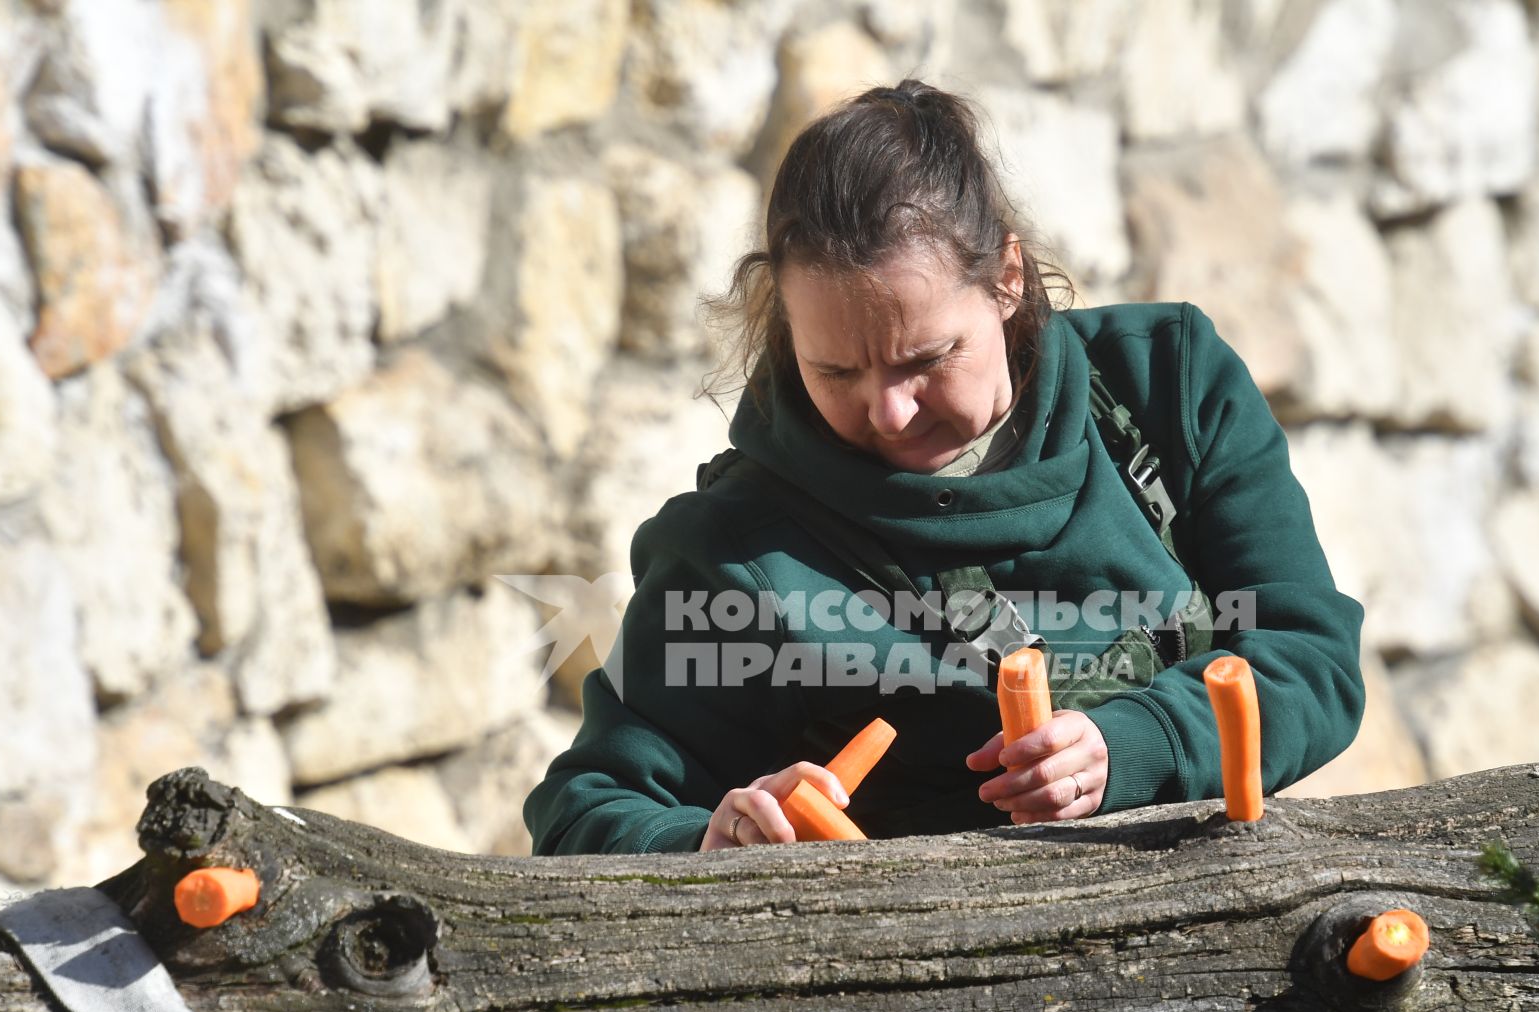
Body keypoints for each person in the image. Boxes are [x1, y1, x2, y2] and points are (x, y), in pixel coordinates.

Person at [524, 80, 1363, 856]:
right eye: (837, 372)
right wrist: (714, 843)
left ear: (1005, 277)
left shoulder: (1168, 386)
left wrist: (1137, 744)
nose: (888, 411)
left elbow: (1309, 658)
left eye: (924, 358)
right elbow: (587, 811)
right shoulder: (739, 548)